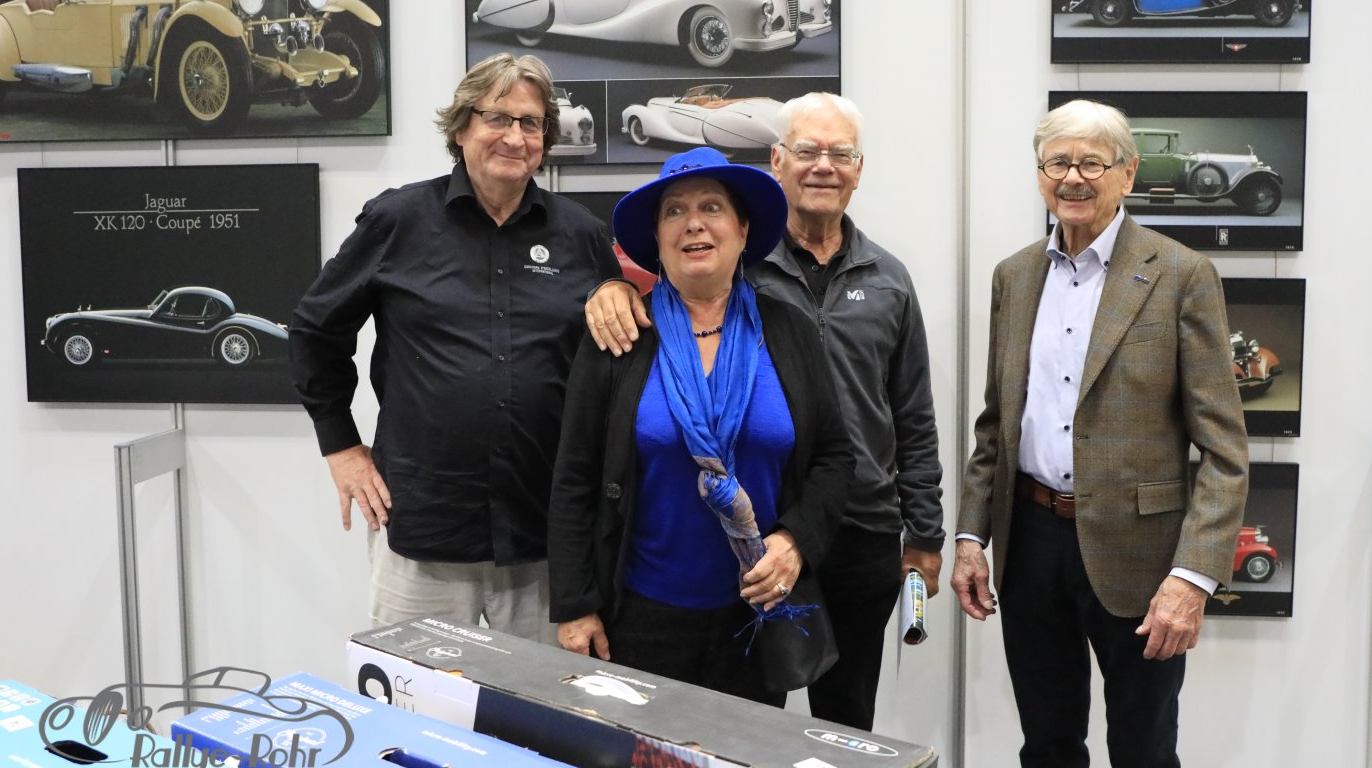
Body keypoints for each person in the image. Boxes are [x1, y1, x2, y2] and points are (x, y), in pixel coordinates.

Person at [586, 93, 942, 730]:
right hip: (761, 532)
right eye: (807, 151)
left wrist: (925, 533)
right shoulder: (741, 270)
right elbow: (667, 294)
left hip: (859, 529)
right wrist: (613, 287)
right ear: (778, 162)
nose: (823, 166)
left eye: (840, 154)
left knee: (843, 718)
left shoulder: (889, 279)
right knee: (740, 718)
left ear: (859, 168)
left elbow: (912, 413)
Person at [950, 99, 1248, 768]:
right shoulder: (1015, 275)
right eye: (1058, 162)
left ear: (1128, 173)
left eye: (1092, 162)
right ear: (1040, 173)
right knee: (1048, 746)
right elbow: (997, 422)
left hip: (1143, 558)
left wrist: (1193, 577)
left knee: (1143, 758)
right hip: (1031, 546)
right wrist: (971, 536)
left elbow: (1224, 449)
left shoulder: (1180, 273)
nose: (1073, 178)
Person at [290, 53, 622, 640]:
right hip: (422, 530)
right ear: (463, 126)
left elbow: (613, 362)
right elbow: (316, 328)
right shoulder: (397, 221)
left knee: (547, 699)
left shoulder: (583, 236)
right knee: (415, 696)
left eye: (531, 122)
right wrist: (340, 446)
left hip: (544, 539)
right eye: (498, 118)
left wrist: (618, 287)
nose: (515, 137)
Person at [549, 147, 853, 706]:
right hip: (638, 619)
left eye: (712, 207)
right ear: (657, 238)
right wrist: (575, 606)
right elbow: (574, 477)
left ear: (742, 229)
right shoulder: (622, 337)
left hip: (756, 614)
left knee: (743, 760)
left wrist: (794, 542)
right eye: (674, 211)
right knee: (640, 759)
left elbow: (835, 458)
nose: (693, 223)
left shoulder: (788, 331)